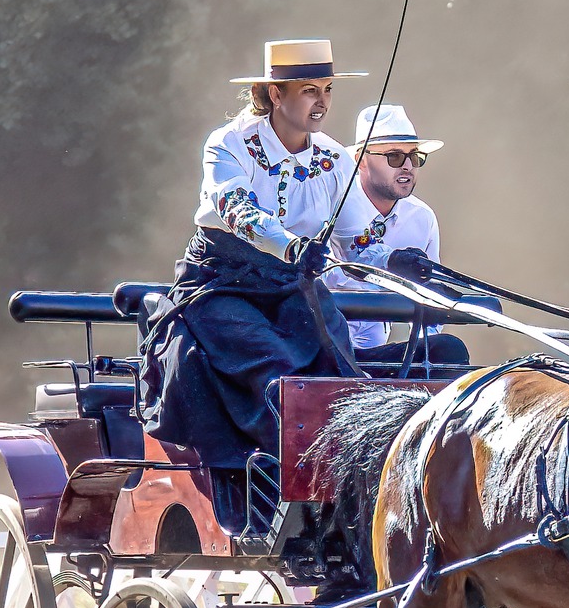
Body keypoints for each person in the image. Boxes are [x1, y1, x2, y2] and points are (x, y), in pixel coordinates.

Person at [137, 38, 366, 471]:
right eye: (309, 90)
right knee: (276, 371)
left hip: (292, 287)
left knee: (338, 368)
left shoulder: (336, 158)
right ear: (276, 94)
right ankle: (289, 472)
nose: (322, 102)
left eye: (328, 89)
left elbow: (359, 243)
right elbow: (237, 209)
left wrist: (403, 261)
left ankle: (350, 474)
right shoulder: (229, 143)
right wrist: (292, 246)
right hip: (221, 285)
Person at [330, 104, 471, 370]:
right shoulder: (331, 207)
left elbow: (427, 302)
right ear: (361, 159)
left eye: (415, 157)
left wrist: (425, 361)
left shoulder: (422, 218)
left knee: (447, 350)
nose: (408, 166)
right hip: (324, 352)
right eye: (394, 157)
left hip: (375, 355)